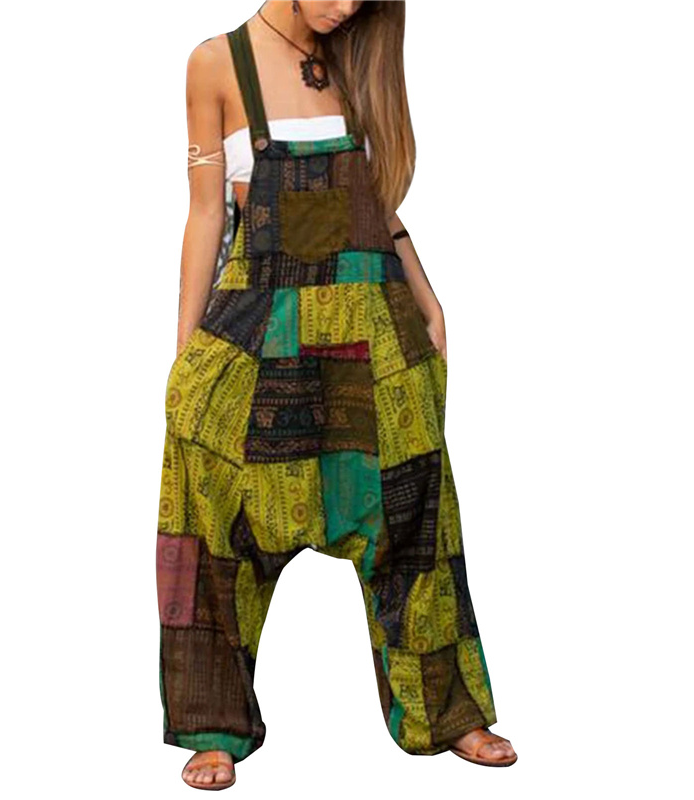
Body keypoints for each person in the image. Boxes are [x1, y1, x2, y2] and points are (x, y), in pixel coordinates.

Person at [157, 1, 517, 789]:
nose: (350, 6)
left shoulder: (355, 61)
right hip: (260, 331)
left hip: (376, 331)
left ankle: (448, 712)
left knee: (416, 522)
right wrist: (185, 355)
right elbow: (206, 212)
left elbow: (375, 205)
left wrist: (429, 296)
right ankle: (213, 726)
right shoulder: (217, 63)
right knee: (215, 527)